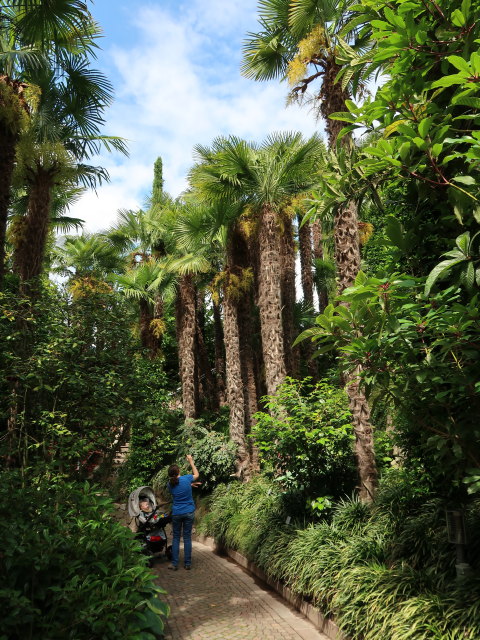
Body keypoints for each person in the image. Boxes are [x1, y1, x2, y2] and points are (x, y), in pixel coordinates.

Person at [167, 454, 199, 570]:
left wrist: (189, 485)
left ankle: (174, 563)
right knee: (186, 538)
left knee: (175, 538)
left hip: (177, 513)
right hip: (189, 511)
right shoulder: (186, 479)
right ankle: (187, 563)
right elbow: (196, 474)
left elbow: (177, 487)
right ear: (179, 471)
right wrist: (191, 461)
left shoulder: (170, 484)